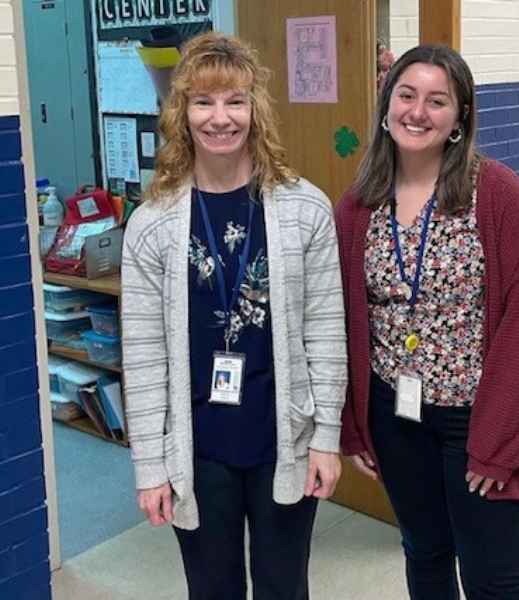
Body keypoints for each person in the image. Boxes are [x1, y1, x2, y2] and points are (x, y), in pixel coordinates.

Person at [121, 31, 347, 600]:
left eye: (235, 101)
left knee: (283, 587)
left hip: (283, 439)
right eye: (203, 101)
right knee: (212, 590)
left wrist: (326, 438)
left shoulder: (305, 208)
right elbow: (144, 354)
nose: (220, 118)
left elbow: (324, 330)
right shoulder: (151, 224)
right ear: (181, 113)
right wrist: (150, 466)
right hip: (197, 448)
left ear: (256, 111)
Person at [335, 44, 519, 600]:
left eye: (438, 100)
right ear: (387, 107)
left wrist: (499, 443)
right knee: (426, 556)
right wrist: (353, 422)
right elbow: (341, 320)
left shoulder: (496, 194)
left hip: (477, 420)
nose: (418, 111)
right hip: (395, 414)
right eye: (406, 95)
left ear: (459, 118)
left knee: (493, 580)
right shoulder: (359, 205)